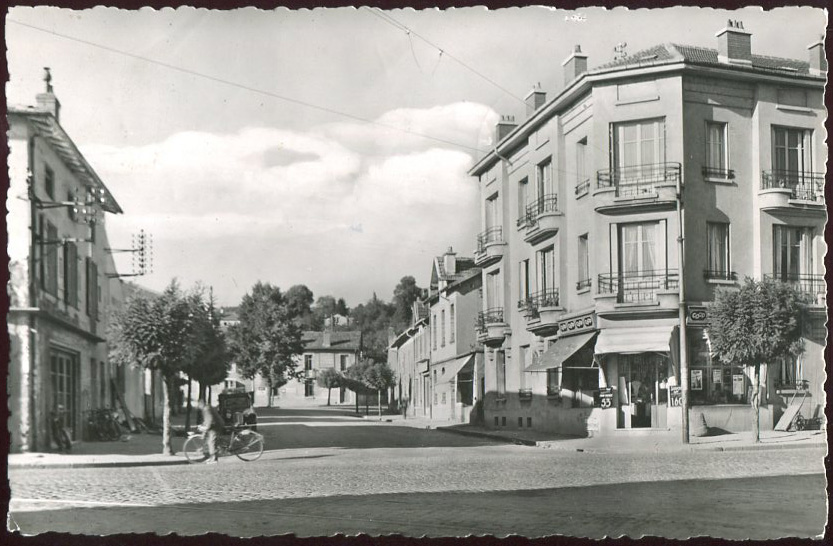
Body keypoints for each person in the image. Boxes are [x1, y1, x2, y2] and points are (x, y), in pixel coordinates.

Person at [198, 399, 225, 464]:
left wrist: (205, 428)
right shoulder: (207, 408)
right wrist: (203, 426)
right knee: (210, 441)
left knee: (211, 442)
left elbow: (210, 420)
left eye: (199, 405)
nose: (198, 407)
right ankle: (211, 457)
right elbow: (206, 420)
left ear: (201, 404)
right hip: (214, 425)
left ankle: (214, 459)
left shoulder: (206, 409)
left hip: (216, 426)